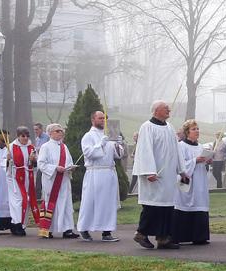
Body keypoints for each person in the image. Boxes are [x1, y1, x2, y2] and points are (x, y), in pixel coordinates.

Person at [132, 101, 184, 250]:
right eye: (165, 108)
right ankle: (141, 233)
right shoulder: (147, 127)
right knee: (152, 206)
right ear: (155, 111)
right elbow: (144, 151)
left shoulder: (169, 127)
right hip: (153, 175)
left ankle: (163, 237)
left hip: (167, 176)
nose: (169, 109)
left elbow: (176, 150)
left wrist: (182, 169)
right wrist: (149, 171)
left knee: (167, 207)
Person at [78, 111, 124, 243]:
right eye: (100, 118)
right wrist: (101, 144)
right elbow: (89, 153)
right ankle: (84, 228)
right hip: (95, 173)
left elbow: (117, 156)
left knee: (108, 203)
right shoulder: (88, 136)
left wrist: (117, 145)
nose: (103, 120)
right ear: (93, 120)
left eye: (104, 118)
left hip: (108, 173)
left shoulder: (107, 136)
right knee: (90, 201)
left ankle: (107, 231)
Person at [173, 118, 211, 245]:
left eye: (198, 128)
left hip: (200, 180)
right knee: (184, 203)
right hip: (186, 180)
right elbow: (179, 164)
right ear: (187, 132)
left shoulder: (201, 146)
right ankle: (182, 236)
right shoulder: (181, 146)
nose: (197, 131)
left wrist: (207, 161)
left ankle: (199, 236)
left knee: (200, 202)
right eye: (194, 129)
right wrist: (195, 160)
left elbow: (203, 163)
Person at [36, 123, 77, 238]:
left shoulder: (64, 147)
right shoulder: (46, 147)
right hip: (52, 180)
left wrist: (70, 168)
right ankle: (47, 230)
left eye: (61, 131)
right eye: (57, 131)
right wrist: (55, 168)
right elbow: (41, 164)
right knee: (51, 204)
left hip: (63, 180)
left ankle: (67, 229)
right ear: (50, 133)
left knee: (66, 204)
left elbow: (69, 161)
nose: (60, 133)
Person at [7, 126, 39, 237]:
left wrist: (34, 161)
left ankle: (20, 224)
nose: (25, 138)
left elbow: (36, 164)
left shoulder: (31, 147)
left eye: (27, 136)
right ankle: (17, 224)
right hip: (14, 177)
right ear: (18, 136)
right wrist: (8, 160)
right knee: (19, 200)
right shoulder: (11, 146)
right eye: (22, 136)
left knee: (28, 200)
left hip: (27, 176)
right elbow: (4, 164)